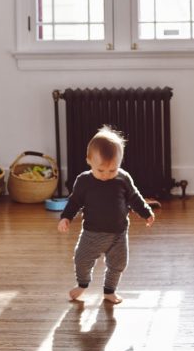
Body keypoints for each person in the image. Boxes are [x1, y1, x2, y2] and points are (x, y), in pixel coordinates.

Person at [57, 125, 155, 304]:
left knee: (118, 265)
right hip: (92, 233)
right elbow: (75, 201)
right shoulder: (83, 181)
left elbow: (134, 197)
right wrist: (66, 217)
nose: (106, 175)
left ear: (120, 163)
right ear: (89, 160)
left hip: (118, 233)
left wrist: (146, 212)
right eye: (101, 170)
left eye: (112, 170)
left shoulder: (123, 179)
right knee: (81, 259)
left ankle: (110, 291)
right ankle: (82, 284)